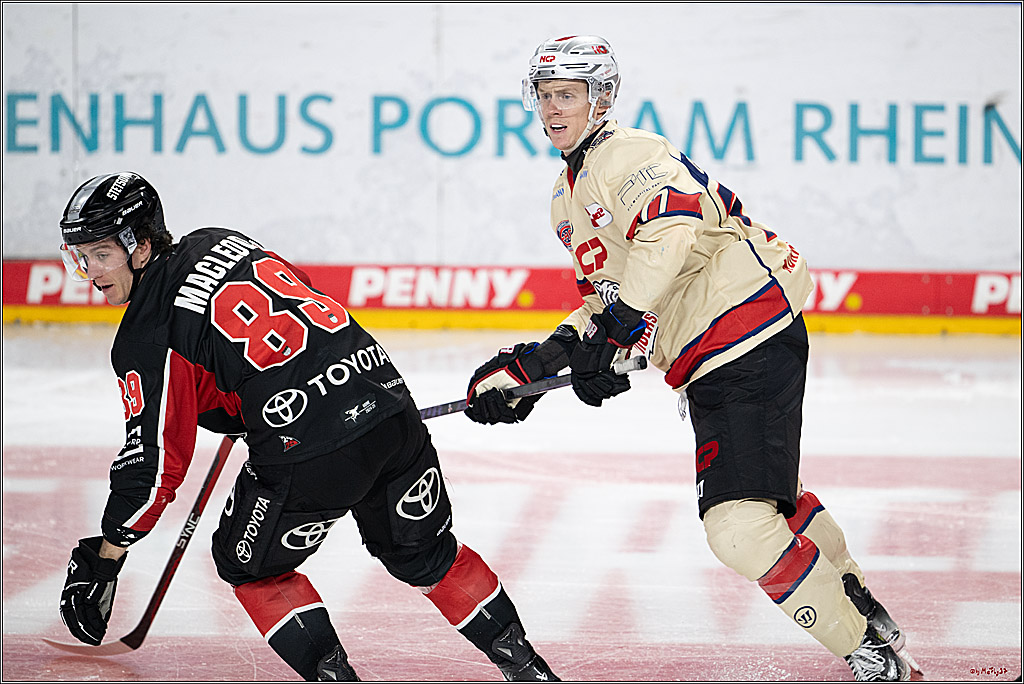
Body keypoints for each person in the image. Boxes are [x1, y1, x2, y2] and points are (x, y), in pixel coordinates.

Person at [464, 35, 922, 682]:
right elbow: (610, 297)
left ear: (602, 98)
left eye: (567, 95)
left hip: (744, 334)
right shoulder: (566, 199)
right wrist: (533, 364)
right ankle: (856, 604)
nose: (552, 109)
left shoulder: (631, 153)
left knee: (738, 527)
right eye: (544, 96)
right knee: (770, 500)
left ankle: (871, 657)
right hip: (716, 352)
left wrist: (618, 331)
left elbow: (669, 231)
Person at [56, 171, 558, 682]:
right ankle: (530, 671)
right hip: (389, 407)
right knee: (425, 555)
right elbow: (303, 311)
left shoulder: (144, 336)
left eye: (100, 254)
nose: (91, 271)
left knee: (248, 565)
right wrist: (246, 403)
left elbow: (153, 470)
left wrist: (106, 555)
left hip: (308, 449)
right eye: (80, 256)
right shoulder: (220, 242)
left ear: (139, 245)